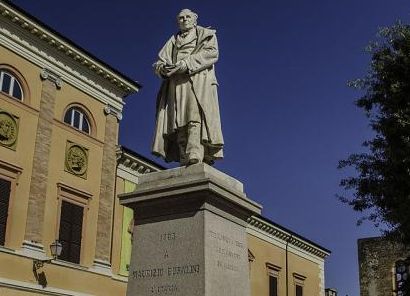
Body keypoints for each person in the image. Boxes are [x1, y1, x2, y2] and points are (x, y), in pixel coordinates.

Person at [152, 9, 224, 166]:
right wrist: (163, 69)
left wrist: (186, 64)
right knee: (177, 121)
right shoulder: (173, 40)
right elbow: (159, 62)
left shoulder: (205, 34)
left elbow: (212, 53)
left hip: (197, 81)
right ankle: (184, 156)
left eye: (187, 17)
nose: (184, 20)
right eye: (180, 18)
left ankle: (195, 153)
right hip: (175, 84)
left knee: (194, 116)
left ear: (195, 19)